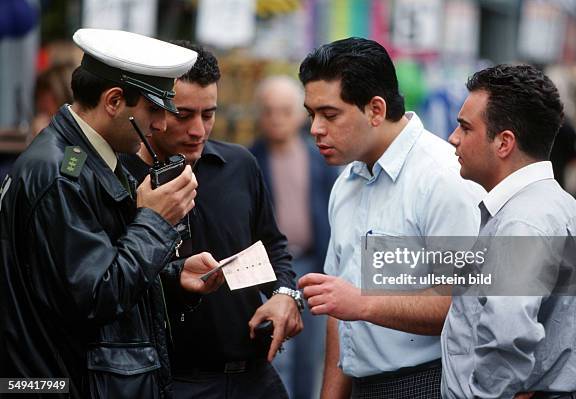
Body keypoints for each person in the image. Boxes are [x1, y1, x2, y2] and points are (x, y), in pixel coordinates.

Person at [0, 28, 225, 398]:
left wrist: (171, 279)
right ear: (114, 101)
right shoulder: (62, 175)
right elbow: (94, 297)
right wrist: (155, 222)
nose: (163, 125)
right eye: (153, 110)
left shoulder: (85, 158)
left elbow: (87, 273)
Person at [296, 37, 483, 399]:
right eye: (311, 114)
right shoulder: (346, 182)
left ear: (375, 110)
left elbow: (468, 302)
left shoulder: (443, 178)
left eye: (330, 114)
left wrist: (363, 303)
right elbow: (340, 307)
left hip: (430, 382)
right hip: (363, 385)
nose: (315, 129)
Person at [120, 41, 303, 399]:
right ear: (153, 110)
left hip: (256, 376)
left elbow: (273, 246)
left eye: (208, 114)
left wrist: (284, 295)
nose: (198, 130)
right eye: (184, 114)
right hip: (173, 380)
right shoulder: (121, 176)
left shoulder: (240, 165)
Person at [442, 64, 576, 398]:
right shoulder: (558, 206)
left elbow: (507, 332)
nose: (453, 138)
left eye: (464, 127)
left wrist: (489, 392)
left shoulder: (523, 221)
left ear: (504, 143)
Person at [250, 75, 337, 399]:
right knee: (276, 350)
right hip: (268, 271)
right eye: (269, 110)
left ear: (300, 114)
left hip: (313, 266)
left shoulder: (321, 158)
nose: (276, 118)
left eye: (285, 110)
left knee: (309, 354)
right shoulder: (250, 160)